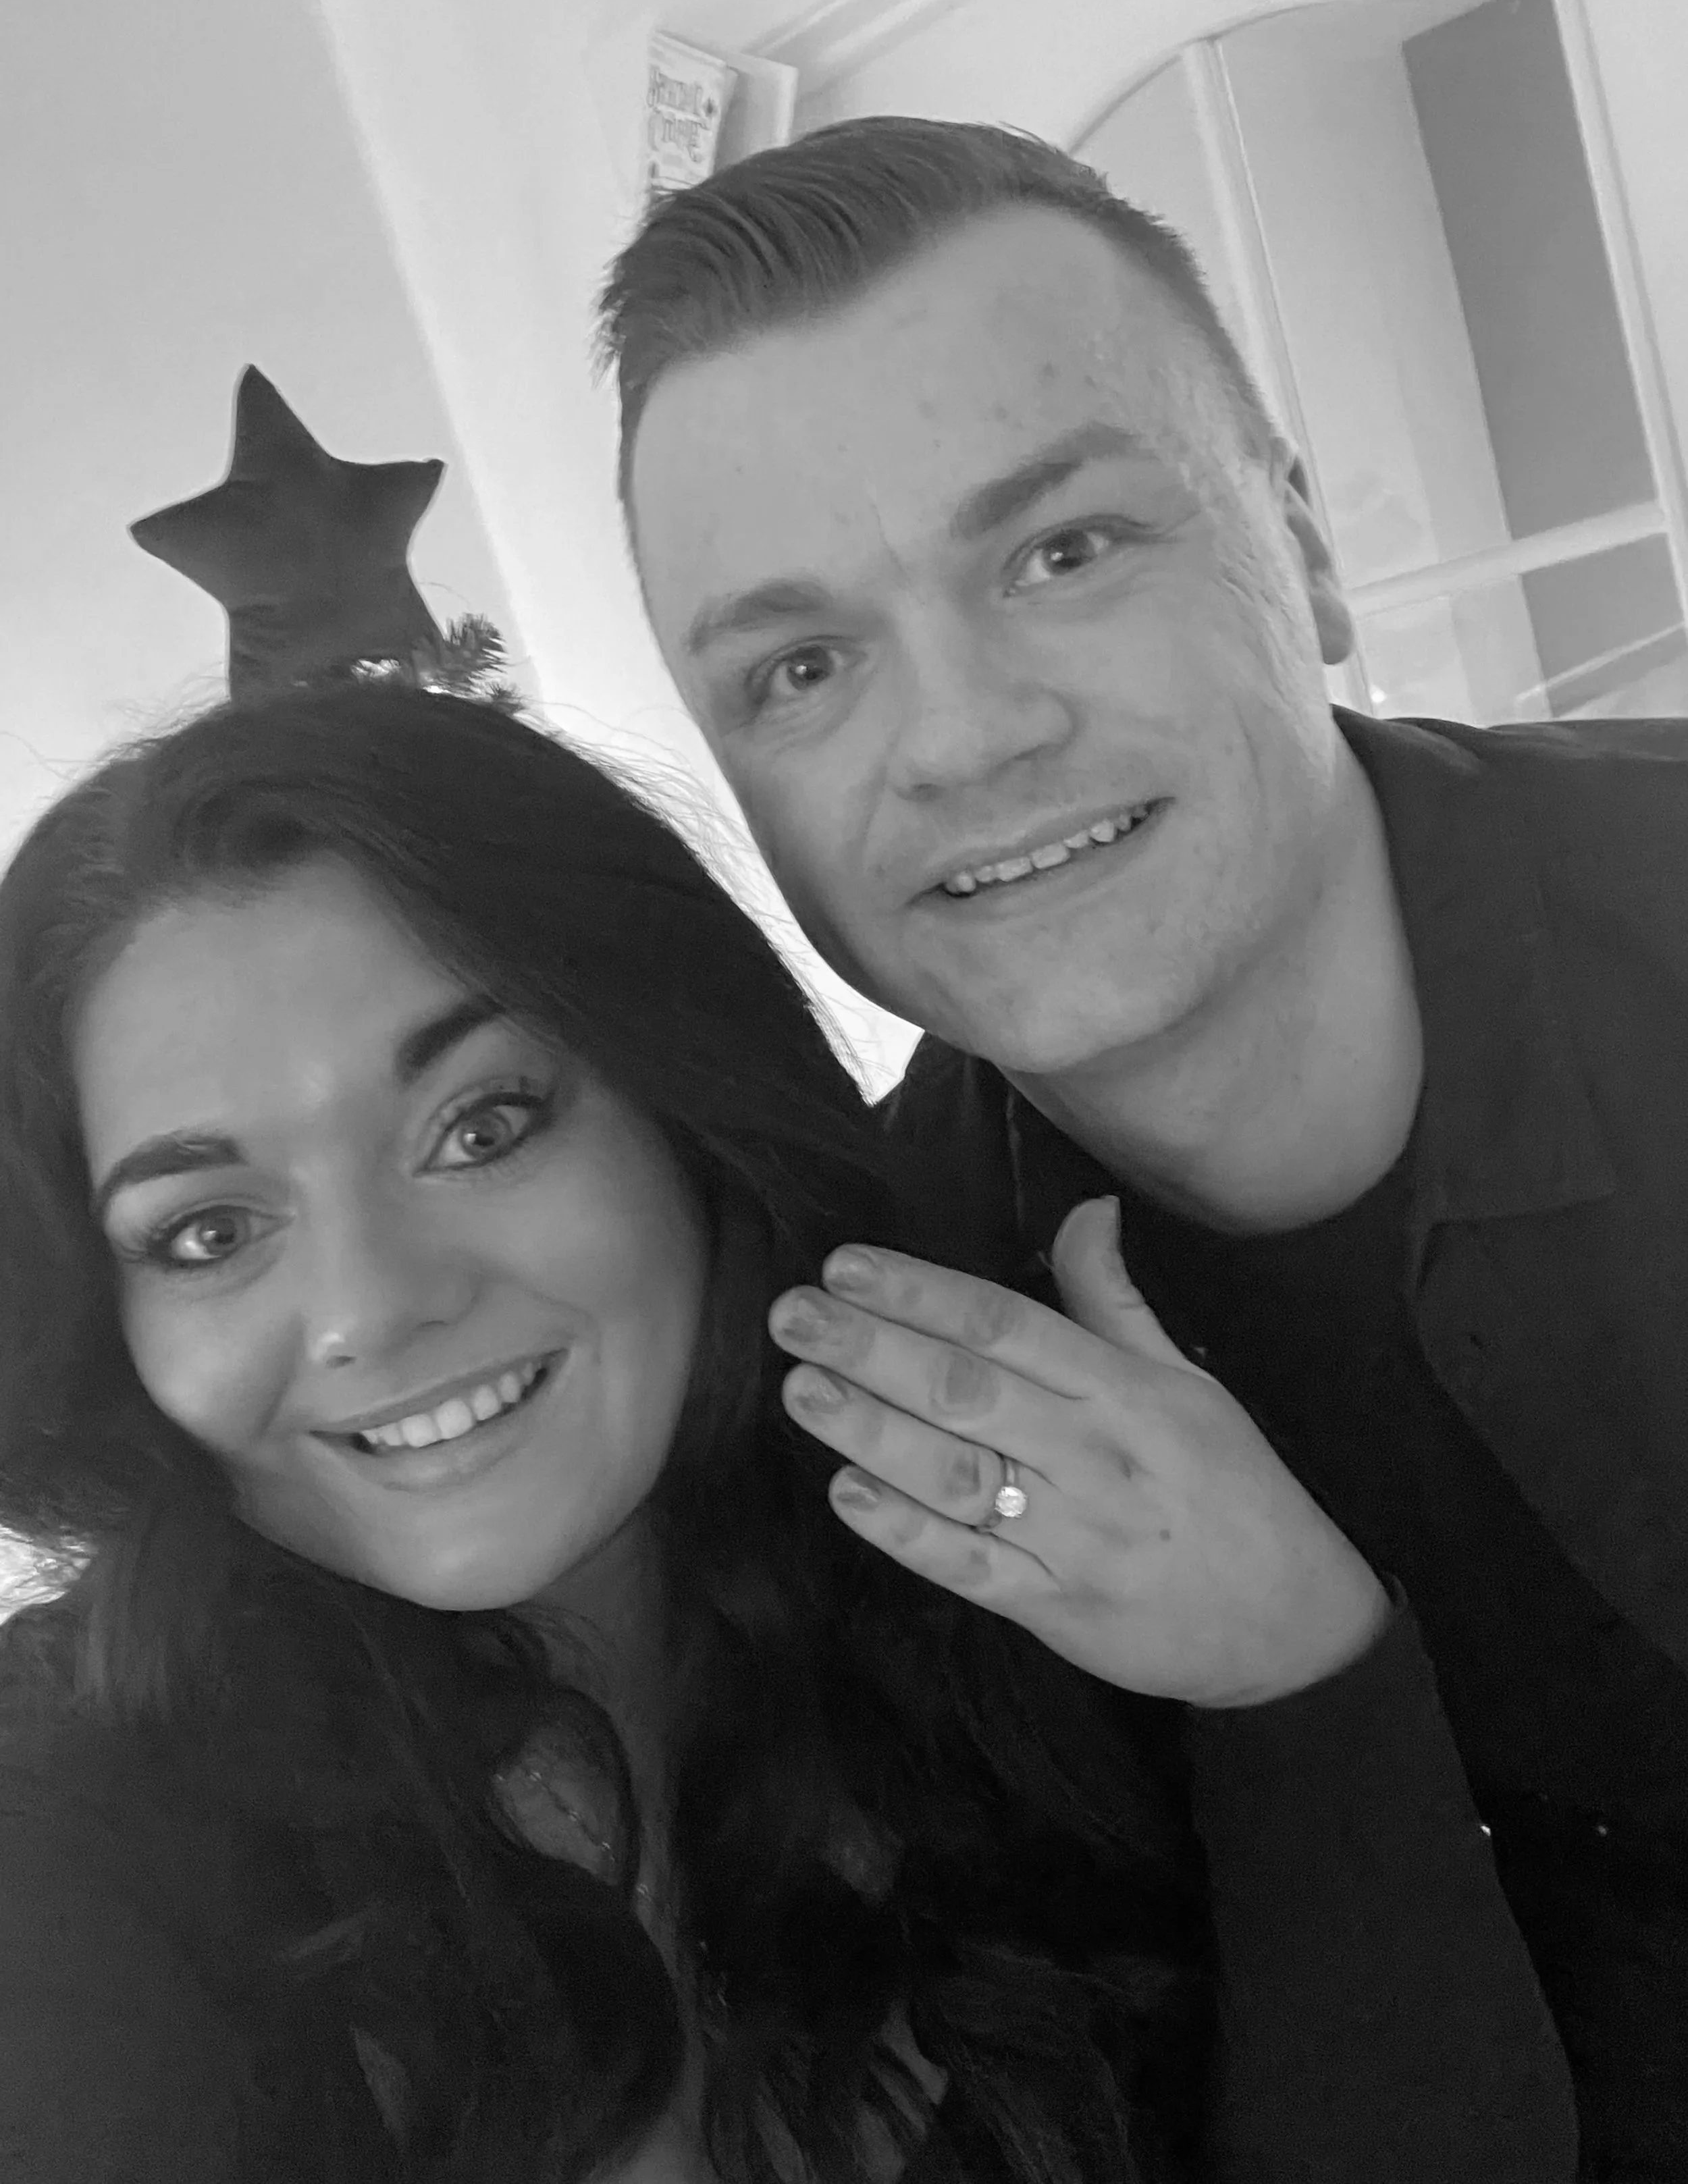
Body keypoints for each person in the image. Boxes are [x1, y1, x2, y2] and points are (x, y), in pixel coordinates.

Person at [0, 676, 1571, 2183]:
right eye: (208, 1231)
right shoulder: (65, 1845)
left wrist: (1297, 1668)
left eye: (479, 1126)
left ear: (684, 1110)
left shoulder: (999, 1608)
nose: (370, 1309)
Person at [599, 113, 1688, 2177]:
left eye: (1060, 550)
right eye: (801, 664)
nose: (960, 735)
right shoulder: (862, 1371)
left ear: (1306, 545)